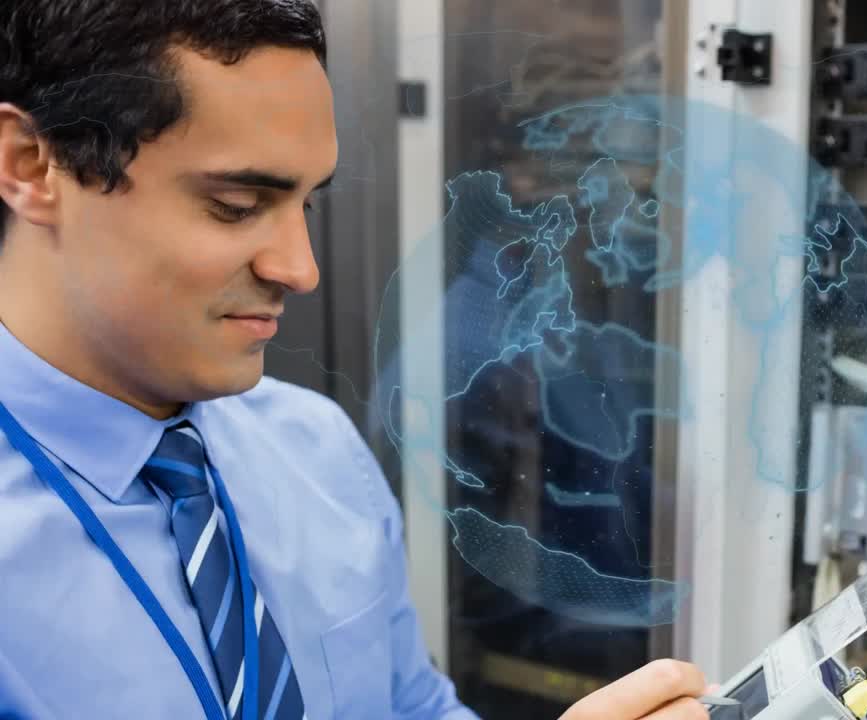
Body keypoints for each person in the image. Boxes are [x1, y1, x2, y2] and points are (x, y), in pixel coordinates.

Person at [0, 1, 712, 718]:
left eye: (306, 207)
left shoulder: (315, 451)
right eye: (237, 204)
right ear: (31, 165)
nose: (299, 269)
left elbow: (415, 708)